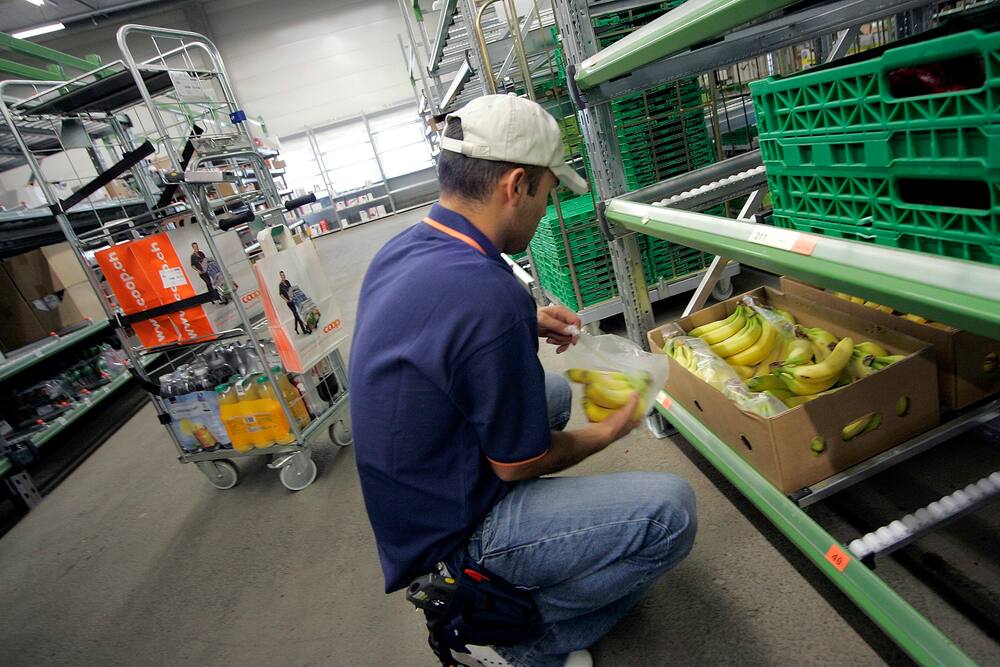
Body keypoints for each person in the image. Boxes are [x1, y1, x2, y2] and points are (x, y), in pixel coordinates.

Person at [350, 94, 696, 667]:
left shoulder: (410, 246)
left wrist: (524, 321)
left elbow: (434, 329)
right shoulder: (488, 295)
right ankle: (515, 635)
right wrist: (609, 429)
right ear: (516, 185)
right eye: (547, 192)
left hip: (411, 504)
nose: (545, 210)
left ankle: (503, 587)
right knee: (671, 512)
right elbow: (519, 463)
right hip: (450, 542)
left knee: (551, 393)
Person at [278, 270, 310, 335]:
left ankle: (296, 328)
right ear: (280, 276)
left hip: (293, 300)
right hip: (289, 303)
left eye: (283, 275)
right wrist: (286, 299)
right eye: (281, 275)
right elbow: (280, 294)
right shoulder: (280, 285)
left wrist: (293, 295)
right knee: (296, 315)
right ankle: (304, 329)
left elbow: (291, 289)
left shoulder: (287, 281)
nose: (283, 276)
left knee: (296, 315)